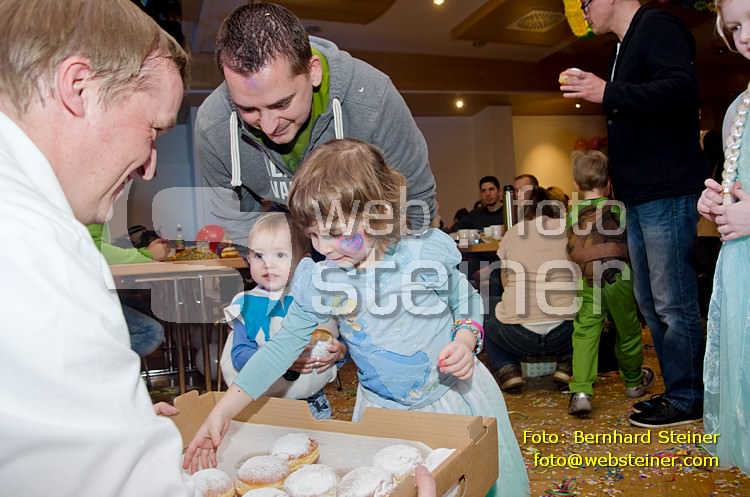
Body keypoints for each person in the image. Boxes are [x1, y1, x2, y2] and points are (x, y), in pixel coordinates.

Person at [183, 139, 530, 497]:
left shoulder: (419, 257)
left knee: (468, 481)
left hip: (450, 399)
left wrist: (465, 340)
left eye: (334, 234)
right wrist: (223, 410)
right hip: (381, 412)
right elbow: (279, 349)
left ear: (378, 217)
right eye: (313, 234)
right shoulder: (325, 280)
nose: (322, 247)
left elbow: (466, 300)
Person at [0, 0, 194, 495]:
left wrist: (110, 424)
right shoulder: (40, 244)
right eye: (153, 129)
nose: (150, 167)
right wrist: (124, 455)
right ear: (79, 87)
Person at [559, 0, 706, 428]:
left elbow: (681, 89)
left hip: (666, 188)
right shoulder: (622, 47)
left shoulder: (657, 24)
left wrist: (608, 92)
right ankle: (677, 391)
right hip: (640, 195)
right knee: (650, 302)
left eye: (585, 2)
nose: (583, 11)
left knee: (672, 302)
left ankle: (689, 398)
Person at [196, 2, 436, 247]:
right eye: (248, 109)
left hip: (371, 248)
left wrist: (398, 265)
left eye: (282, 104)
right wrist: (274, 264)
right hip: (291, 245)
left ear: (313, 72)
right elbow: (239, 221)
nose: (268, 126)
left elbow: (415, 201)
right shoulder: (213, 127)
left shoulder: (373, 99)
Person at [695, 0, 750, 476]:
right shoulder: (739, 109)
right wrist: (718, 202)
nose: (744, 35)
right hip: (740, 265)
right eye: (734, 27)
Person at [218, 212, 340, 419]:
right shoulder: (247, 305)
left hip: (313, 403)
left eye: (280, 255)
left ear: (304, 262)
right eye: (259, 255)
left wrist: (340, 352)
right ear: (248, 259)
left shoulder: (315, 297)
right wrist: (282, 361)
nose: (268, 264)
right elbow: (239, 356)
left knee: (319, 439)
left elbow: (334, 337)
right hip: (264, 404)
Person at [565, 150, 653, 416]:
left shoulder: (572, 213)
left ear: (576, 184)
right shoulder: (620, 209)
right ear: (609, 181)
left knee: (585, 332)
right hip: (620, 278)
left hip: (589, 280)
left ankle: (581, 391)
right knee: (628, 330)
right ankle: (634, 382)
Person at [484, 188, 577, 394]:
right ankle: (569, 364)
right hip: (566, 331)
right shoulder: (569, 230)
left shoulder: (514, 232)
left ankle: (507, 368)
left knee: (484, 307)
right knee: (592, 310)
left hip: (518, 333)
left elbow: (505, 280)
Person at [88, 223, 168, 358]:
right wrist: (148, 254)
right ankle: (100, 363)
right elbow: (95, 250)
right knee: (152, 332)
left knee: (141, 304)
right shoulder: (89, 214)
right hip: (88, 298)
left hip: (93, 293)